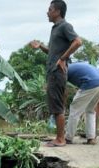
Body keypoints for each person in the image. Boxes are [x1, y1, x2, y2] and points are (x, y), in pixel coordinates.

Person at [29, 0, 81, 147]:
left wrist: (63, 59)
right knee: (55, 105)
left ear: (57, 11)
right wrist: (40, 46)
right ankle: (59, 137)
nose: (48, 12)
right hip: (53, 72)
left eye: (50, 9)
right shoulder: (55, 29)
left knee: (57, 106)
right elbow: (52, 52)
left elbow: (77, 42)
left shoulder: (65, 26)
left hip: (58, 72)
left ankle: (60, 139)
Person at [65, 62, 99, 145]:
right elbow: (98, 80)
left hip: (90, 83)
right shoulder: (75, 66)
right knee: (90, 110)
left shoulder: (63, 70)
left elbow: (63, 90)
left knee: (75, 109)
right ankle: (91, 138)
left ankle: (68, 138)